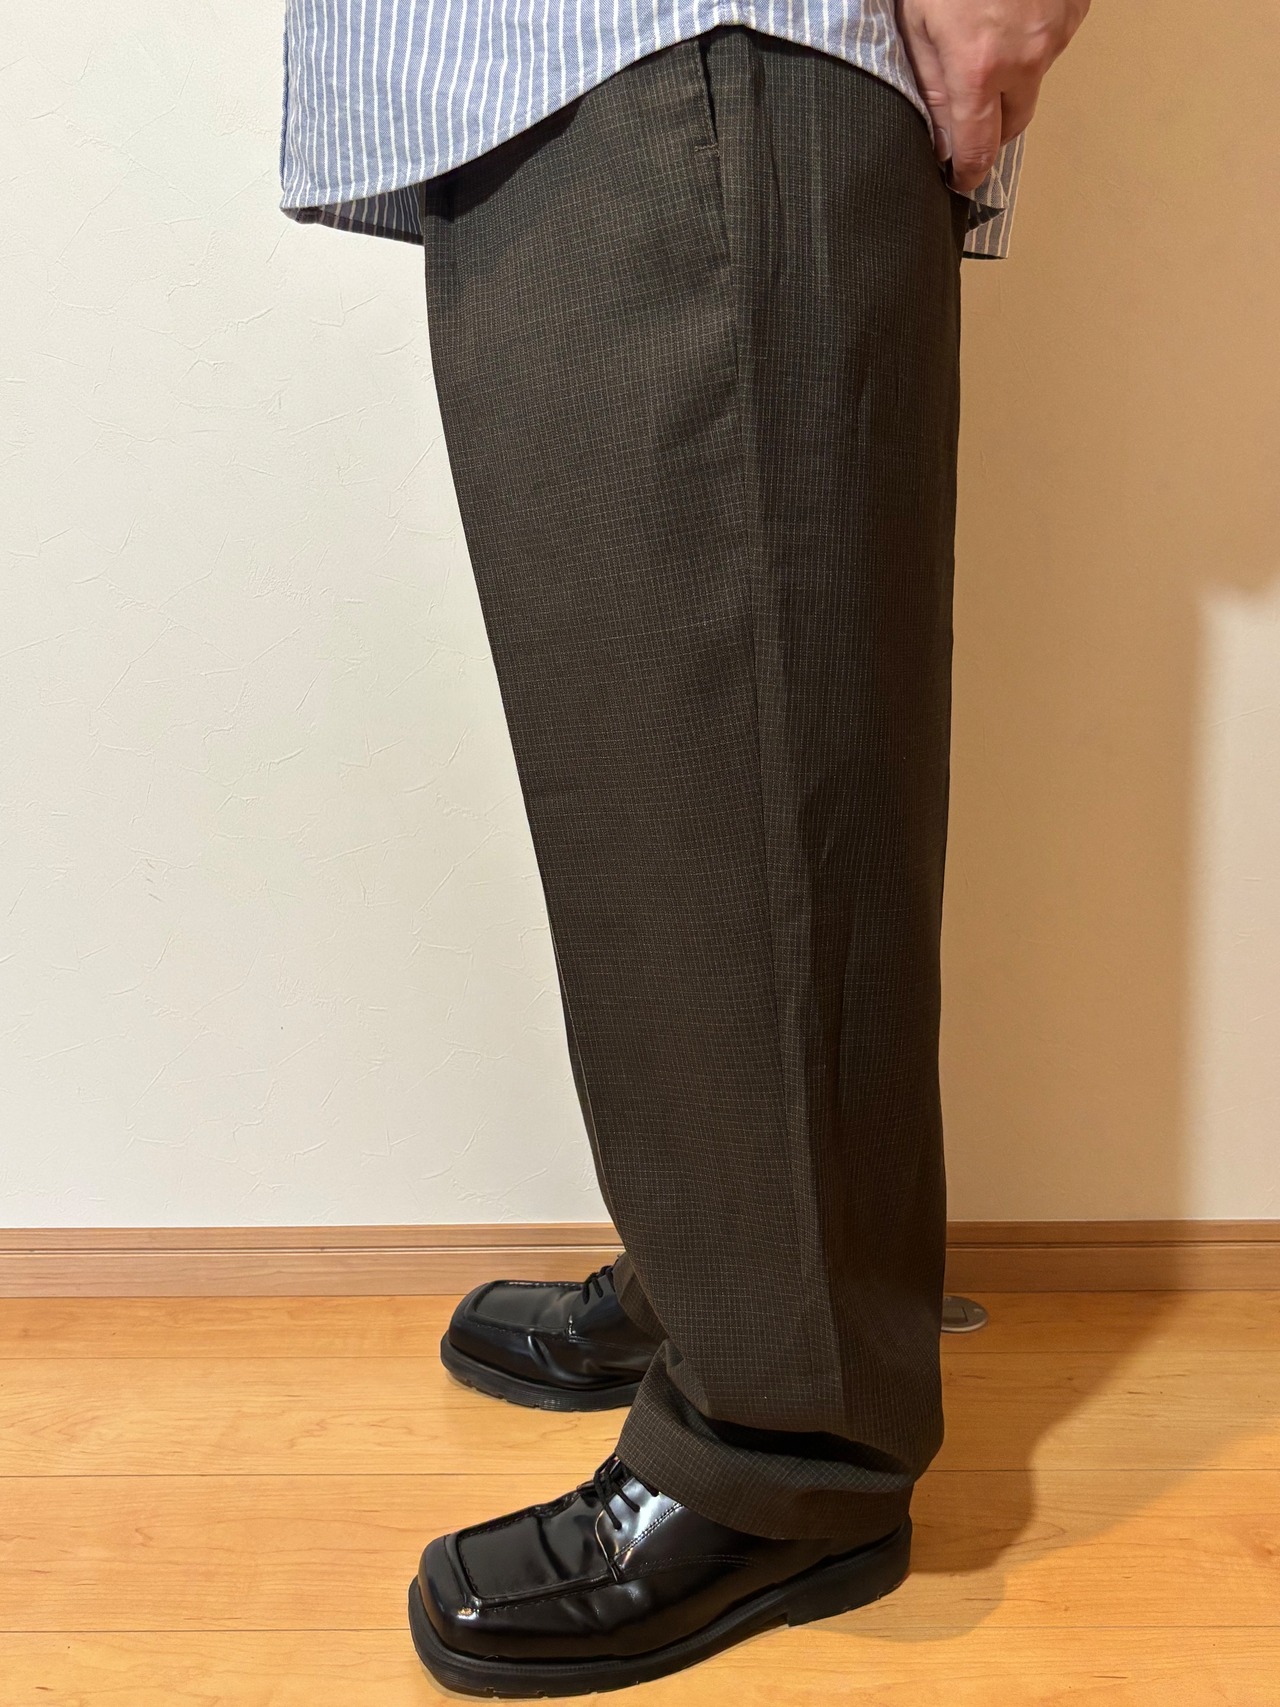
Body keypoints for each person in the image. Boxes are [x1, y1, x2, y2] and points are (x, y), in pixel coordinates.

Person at [278, 0, 1088, 1694]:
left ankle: (784, 1449)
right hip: (564, 60)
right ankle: (735, 1264)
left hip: (704, 41)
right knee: (659, 746)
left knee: (735, 718)